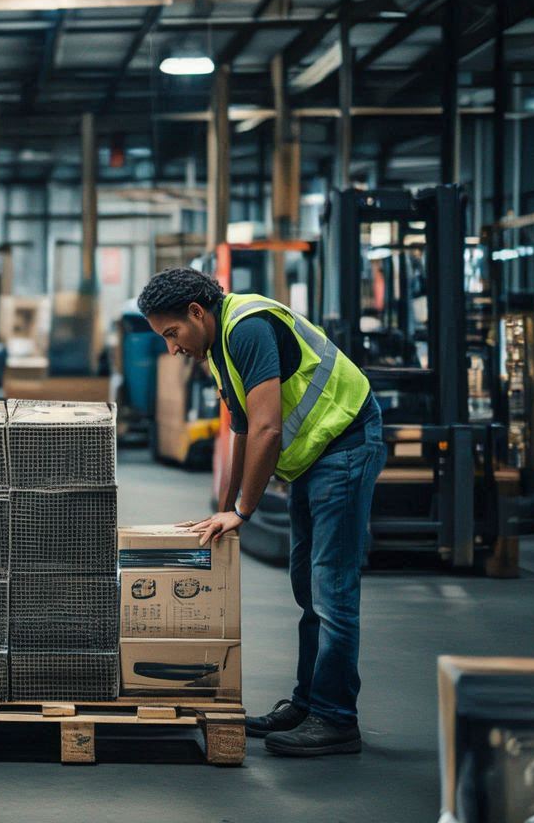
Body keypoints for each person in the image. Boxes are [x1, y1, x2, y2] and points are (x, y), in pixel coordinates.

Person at [137, 267, 385, 758]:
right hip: (315, 459)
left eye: (172, 334)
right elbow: (243, 431)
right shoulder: (220, 346)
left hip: (345, 445)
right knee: (305, 584)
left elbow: (270, 429)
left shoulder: (247, 327)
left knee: (331, 589)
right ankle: (309, 702)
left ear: (195, 312)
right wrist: (223, 508)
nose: (172, 348)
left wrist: (244, 511)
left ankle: (336, 718)